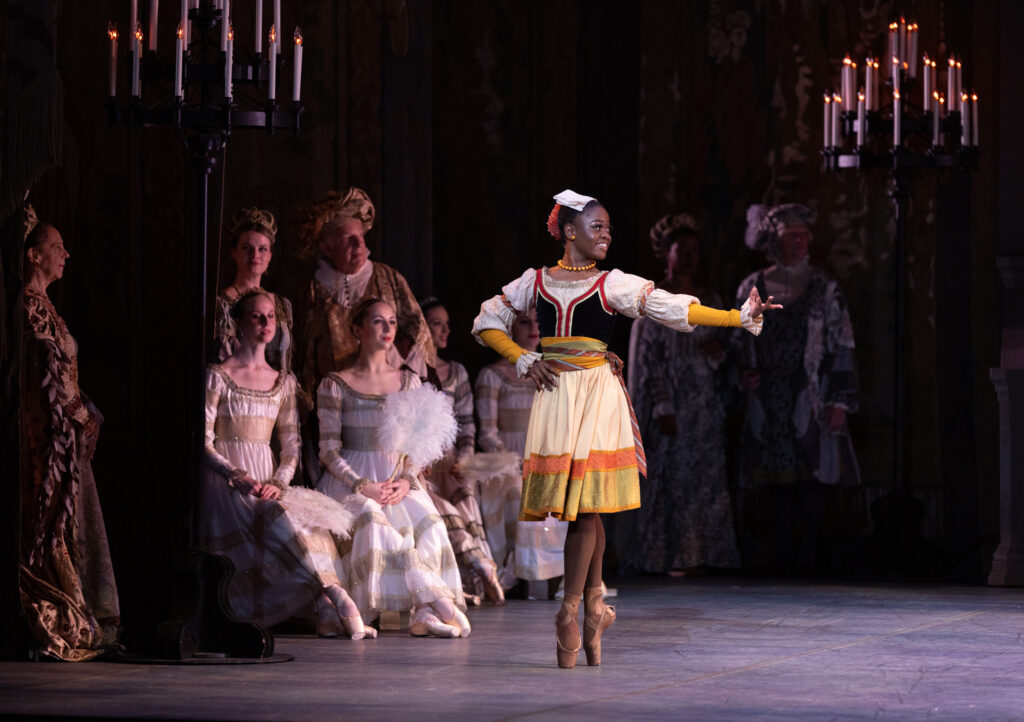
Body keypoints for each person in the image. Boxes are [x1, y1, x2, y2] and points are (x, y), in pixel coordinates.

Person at [472, 189, 776, 669]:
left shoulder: (611, 284)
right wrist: (523, 356)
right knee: (583, 511)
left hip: (597, 394)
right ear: (569, 231)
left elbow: (676, 309)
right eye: (597, 226)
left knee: (586, 509)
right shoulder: (535, 282)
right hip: (557, 394)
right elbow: (487, 321)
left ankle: (577, 611)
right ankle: (585, 608)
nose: (606, 234)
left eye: (609, 227)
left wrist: (738, 317)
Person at [204, 289, 373, 639]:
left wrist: (278, 483)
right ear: (238, 324)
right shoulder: (218, 375)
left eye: (270, 317)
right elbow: (203, 442)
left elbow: (292, 447)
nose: (266, 323)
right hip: (227, 481)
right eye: (256, 316)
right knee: (280, 524)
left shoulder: (283, 382)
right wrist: (236, 476)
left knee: (307, 525)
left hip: (267, 478)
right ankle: (333, 598)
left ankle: (330, 602)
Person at [316, 297, 471, 638]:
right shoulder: (335, 383)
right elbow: (328, 450)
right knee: (373, 520)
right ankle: (434, 597)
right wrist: (361, 485)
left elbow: (415, 448)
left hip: (397, 482)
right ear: (357, 329)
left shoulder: (408, 382)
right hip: (353, 481)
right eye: (377, 322)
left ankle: (425, 614)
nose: (387, 329)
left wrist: (405, 478)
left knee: (429, 525)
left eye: (391, 323)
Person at [735, 203, 860, 574]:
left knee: (812, 478)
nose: (801, 241)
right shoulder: (752, 285)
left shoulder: (824, 288)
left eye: (805, 235)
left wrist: (839, 400)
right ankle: (777, 559)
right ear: (775, 240)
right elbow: (739, 340)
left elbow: (844, 345)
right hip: (768, 395)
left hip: (810, 393)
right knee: (773, 483)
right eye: (793, 235)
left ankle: (809, 560)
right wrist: (744, 374)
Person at [19, 206, 120, 660]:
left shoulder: (46, 305)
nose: (66, 254)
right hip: (53, 435)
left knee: (80, 519)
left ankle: (89, 608)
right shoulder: (29, 306)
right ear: (34, 255)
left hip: (70, 431)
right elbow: (49, 378)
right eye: (57, 248)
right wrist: (82, 416)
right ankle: (59, 608)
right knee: (54, 520)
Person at [622, 213, 741, 575]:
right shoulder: (655, 299)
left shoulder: (710, 298)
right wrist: (662, 406)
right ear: (666, 254)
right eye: (681, 250)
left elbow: (723, 349)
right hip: (671, 407)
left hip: (704, 404)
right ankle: (669, 555)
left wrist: (718, 357)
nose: (689, 256)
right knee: (671, 480)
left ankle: (704, 553)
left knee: (705, 482)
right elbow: (648, 360)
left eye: (694, 250)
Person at [297, 187, 434, 394]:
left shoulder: (388, 278)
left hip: (387, 393)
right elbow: (305, 354)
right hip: (334, 398)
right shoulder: (313, 289)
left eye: (360, 235)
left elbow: (418, 333)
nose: (358, 244)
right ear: (326, 248)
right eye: (347, 238)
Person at [475, 308, 568, 591]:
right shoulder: (493, 376)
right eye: (524, 322)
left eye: (537, 321)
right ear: (509, 330)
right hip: (506, 460)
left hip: (543, 458)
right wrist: (514, 460)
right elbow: (488, 433)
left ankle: (555, 576)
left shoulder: (554, 372)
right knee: (519, 490)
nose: (533, 327)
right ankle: (518, 573)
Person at [419, 298, 504, 605]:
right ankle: (470, 567)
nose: (444, 330)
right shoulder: (406, 369)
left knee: (464, 499)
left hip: (450, 458)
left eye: (446, 324)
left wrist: (466, 457)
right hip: (421, 461)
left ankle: (475, 575)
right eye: (435, 323)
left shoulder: (455, 371)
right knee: (437, 509)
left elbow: (467, 422)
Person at [213, 208, 296, 375]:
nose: (255, 255)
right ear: (234, 252)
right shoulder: (222, 304)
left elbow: (288, 361)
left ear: (271, 255)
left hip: (278, 394)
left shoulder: (282, 304)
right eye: (246, 248)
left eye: (262, 249)